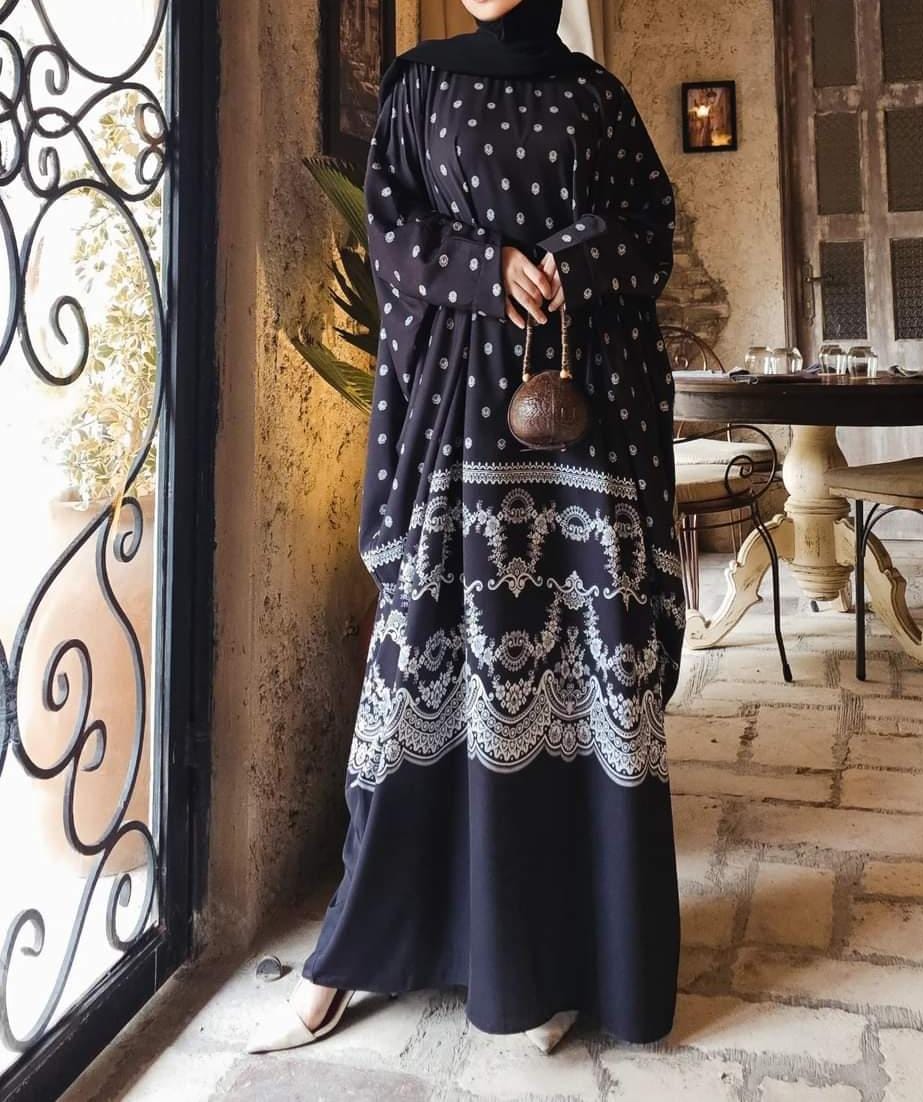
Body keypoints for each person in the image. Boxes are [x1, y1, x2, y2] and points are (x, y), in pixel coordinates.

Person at [247, 0, 684, 1056]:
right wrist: (486, 273)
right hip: (454, 433)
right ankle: (350, 955)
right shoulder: (418, 85)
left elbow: (650, 230)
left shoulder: (597, 95)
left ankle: (562, 960)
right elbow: (390, 235)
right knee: (417, 680)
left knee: (577, 688)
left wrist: (565, 268)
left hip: (580, 438)